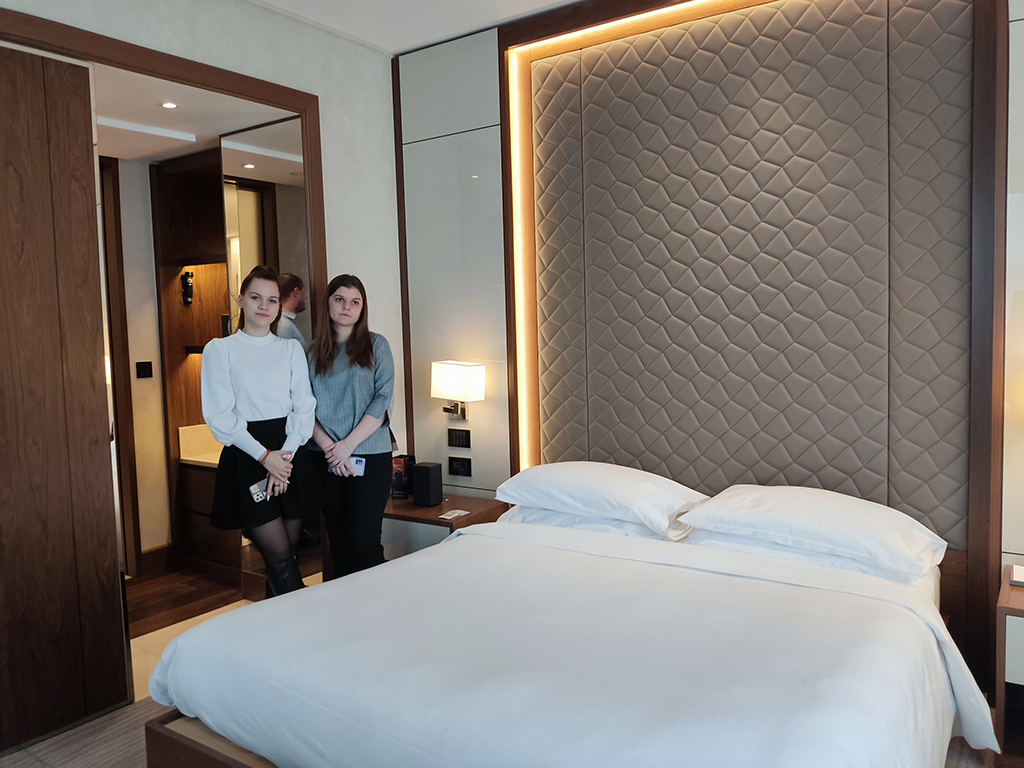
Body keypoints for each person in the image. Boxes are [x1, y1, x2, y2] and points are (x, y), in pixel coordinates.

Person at [201, 265, 323, 596]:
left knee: (287, 557)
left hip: (289, 453)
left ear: (279, 305)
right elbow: (220, 416)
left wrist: (283, 459)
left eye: (272, 300)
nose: (264, 306)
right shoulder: (220, 349)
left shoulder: (290, 349)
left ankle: (278, 626)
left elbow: (304, 406)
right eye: (256, 297)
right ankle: (308, 617)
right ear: (241, 300)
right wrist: (266, 458)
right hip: (248, 455)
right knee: (280, 559)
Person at [308, 274, 395, 578]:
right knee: (339, 542)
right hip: (325, 457)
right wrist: (331, 449)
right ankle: (344, 606)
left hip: (369, 453)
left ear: (362, 308)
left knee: (364, 540)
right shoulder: (310, 352)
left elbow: (382, 400)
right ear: (328, 303)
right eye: (340, 299)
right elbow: (303, 407)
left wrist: (347, 446)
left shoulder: (376, 345)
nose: (347, 307)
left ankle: (379, 602)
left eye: (355, 302)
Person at [277, 273, 307, 345]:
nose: (306, 297)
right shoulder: (284, 326)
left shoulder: (284, 323)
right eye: (304, 292)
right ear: (296, 293)